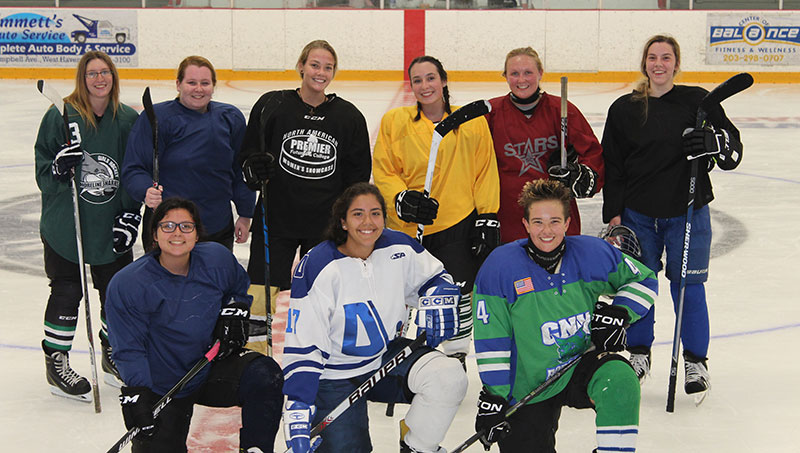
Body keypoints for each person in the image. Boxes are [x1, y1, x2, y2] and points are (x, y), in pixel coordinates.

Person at [601, 35, 743, 396]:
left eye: (666, 57)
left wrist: (714, 144)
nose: (659, 64)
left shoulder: (698, 101)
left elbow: (732, 148)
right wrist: (614, 214)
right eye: (652, 57)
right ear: (644, 63)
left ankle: (695, 361)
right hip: (638, 215)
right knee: (637, 286)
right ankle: (638, 353)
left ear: (676, 64)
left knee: (689, 288)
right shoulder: (624, 108)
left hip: (688, 212)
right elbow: (612, 165)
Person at [472, 179, 658, 452]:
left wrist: (620, 312)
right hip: (527, 385)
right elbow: (492, 340)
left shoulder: (591, 253)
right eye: (537, 222)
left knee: (620, 380)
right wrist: (494, 397)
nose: (546, 230)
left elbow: (645, 280)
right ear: (525, 225)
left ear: (568, 223)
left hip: (579, 363)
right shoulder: (500, 267)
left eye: (555, 221)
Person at [282, 182, 468, 453]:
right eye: (358, 214)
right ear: (342, 221)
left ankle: (417, 446)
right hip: (333, 375)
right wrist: (299, 403)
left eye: (375, 213)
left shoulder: (398, 246)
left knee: (448, 376)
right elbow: (303, 342)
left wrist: (438, 294)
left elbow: (434, 277)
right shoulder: (319, 266)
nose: (368, 222)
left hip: (385, 357)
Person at [105, 198, 283, 453]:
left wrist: (234, 309)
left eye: (186, 226)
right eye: (167, 226)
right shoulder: (129, 284)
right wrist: (138, 391)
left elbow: (238, 287)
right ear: (154, 234)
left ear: (197, 234)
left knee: (265, 375)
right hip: (162, 384)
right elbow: (129, 348)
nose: (177, 233)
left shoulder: (216, 258)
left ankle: (256, 449)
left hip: (209, 364)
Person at [239, 40, 371, 353]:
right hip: (275, 218)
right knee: (259, 293)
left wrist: (347, 222)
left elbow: (357, 176)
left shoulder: (349, 117)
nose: (320, 72)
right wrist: (252, 169)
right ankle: (254, 357)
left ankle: (316, 352)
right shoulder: (272, 105)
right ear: (301, 66)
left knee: (320, 293)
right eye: (314, 65)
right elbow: (248, 154)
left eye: (328, 67)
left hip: (323, 225)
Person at [372, 55, 500, 364]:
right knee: (405, 293)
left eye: (431, 78)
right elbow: (384, 170)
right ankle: (398, 353)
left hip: (458, 223)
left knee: (458, 294)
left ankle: (456, 354)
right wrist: (401, 200)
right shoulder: (395, 122)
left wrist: (487, 215)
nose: (425, 86)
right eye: (417, 80)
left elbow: (485, 170)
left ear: (443, 81)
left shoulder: (472, 122)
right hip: (408, 228)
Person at [34, 50, 141, 401]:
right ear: (82, 78)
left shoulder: (127, 119)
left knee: (117, 292)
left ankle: (112, 355)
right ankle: (57, 363)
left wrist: (131, 214)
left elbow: (133, 172)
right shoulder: (60, 116)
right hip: (68, 225)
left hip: (109, 222)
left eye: (105, 72)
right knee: (67, 291)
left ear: (113, 76)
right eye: (92, 73)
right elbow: (42, 169)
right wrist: (57, 168)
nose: (100, 79)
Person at [123, 55, 254, 252]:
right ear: (178, 84)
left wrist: (245, 214)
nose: (198, 89)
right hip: (168, 227)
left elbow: (240, 170)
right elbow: (134, 167)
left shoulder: (230, 118)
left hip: (216, 225)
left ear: (213, 86)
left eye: (205, 83)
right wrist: (145, 190)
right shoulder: (157, 118)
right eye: (191, 82)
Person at [486, 46, 604, 243]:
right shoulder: (491, 113)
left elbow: (593, 155)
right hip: (508, 217)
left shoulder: (562, 109)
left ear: (540, 73)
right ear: (505, 76)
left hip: (555, 216)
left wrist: (581, 176)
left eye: (528, 72)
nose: (521, 80)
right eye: (514, 73)